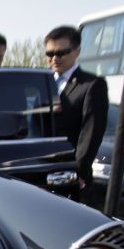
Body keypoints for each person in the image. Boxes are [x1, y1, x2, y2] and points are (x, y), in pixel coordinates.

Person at [44, 25, 108, 202]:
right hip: (40, 170)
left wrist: (76, 171)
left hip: (71, 176)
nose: (55, 58)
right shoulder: (41, 83)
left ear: (77, 51)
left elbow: (91, 133)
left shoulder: (92, 85)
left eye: (61, 52)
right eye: (50, 54)